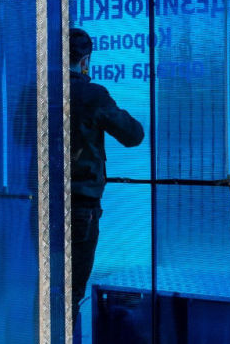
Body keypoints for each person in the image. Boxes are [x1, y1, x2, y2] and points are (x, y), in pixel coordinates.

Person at [68, 27, 144, 337]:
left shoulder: (36, 91)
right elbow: (133, 135)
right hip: (80, 207)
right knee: (71, 292)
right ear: (85, 61)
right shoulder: (93, 95)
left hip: (40, 207)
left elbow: (20, 137)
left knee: (46, 286)